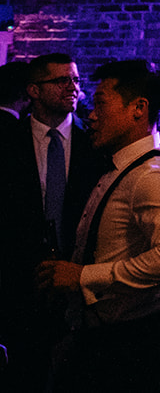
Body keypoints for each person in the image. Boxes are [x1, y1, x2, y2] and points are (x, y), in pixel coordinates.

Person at [36, 59, 160, 391]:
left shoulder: (156, 176)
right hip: (99, 337)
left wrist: (82, 276)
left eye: (101, 103)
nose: (90, 114)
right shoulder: (123, 168)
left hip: (126, 346)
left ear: (138, 109)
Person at [0, 54, 107, 388]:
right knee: (24, 369)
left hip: (79, 271)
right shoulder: (7, 140)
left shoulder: (94, 143)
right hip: (19, 273)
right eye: (61, 81)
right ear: (34, 89)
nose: (72, 88)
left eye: (75, 80)